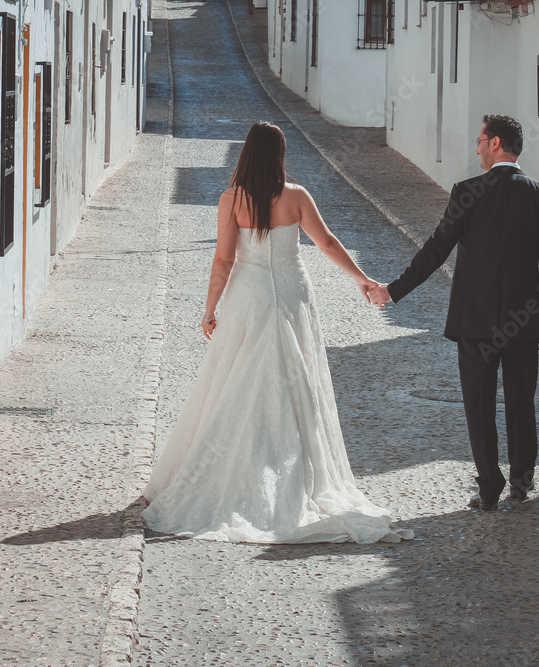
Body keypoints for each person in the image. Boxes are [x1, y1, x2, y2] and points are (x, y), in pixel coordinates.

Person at [142, 122, 412, 544]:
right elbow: (326, 243)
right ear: (281, 155)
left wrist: (209, 310)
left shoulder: (232, 198)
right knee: (295, 378)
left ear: (246, 154)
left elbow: (223, 261)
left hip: (248, 297)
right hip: (291, 293)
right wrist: (362, 279)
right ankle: (294, 469)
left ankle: (225, 468)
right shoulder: (297, 196)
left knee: (234, 380)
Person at [370, 114, 539, 511]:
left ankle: (489, 486)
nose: (476, 148)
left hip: (475, 323)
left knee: (479, 405)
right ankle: (522, 482)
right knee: (521, 402)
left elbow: (436, 249)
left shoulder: (467, 192)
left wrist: (394, 291)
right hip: (523, 322)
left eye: (479, 141)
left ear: (495, 144)